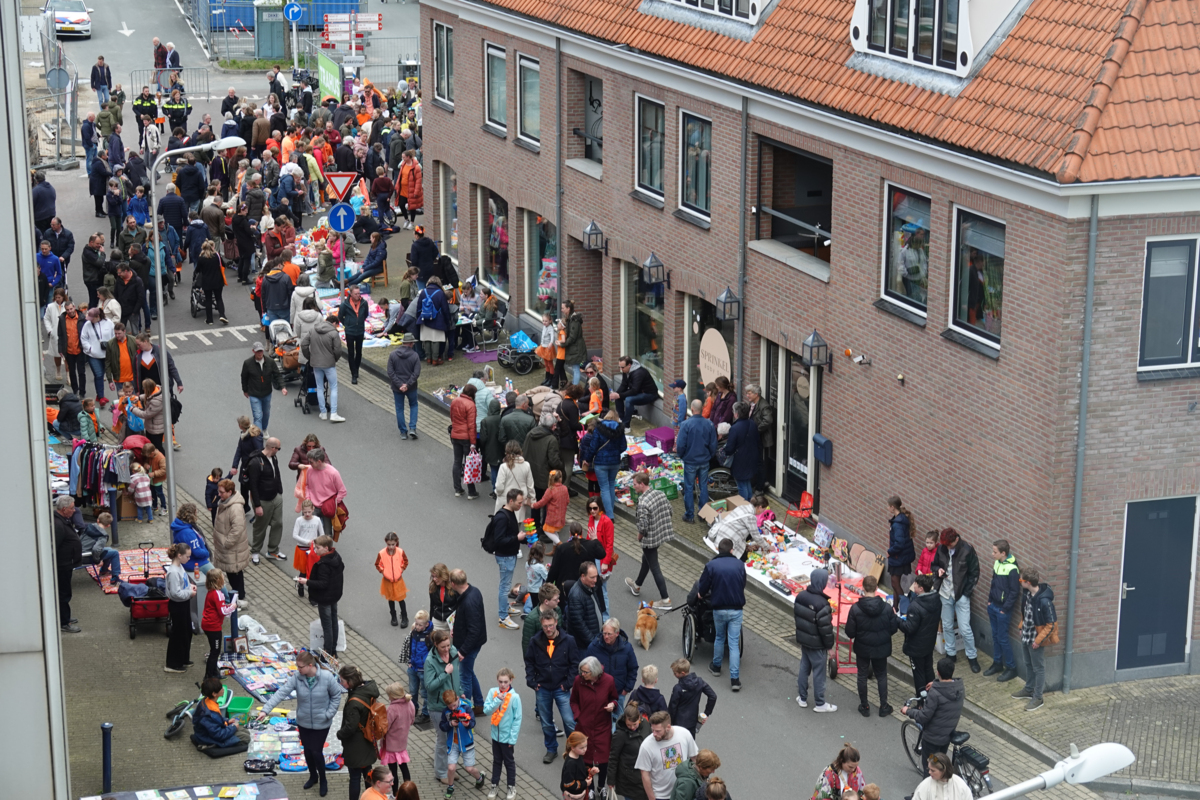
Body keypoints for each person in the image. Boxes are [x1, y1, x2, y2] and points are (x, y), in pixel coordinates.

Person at [258, 649, 342, 794]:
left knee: (316, 751)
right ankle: (313, 776)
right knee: (308, 752)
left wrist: (329, 714)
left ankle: (323, 780)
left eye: (300, 667)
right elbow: (281, 693)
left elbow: (336, 696)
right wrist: (265, 709)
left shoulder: (327, 677)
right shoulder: (297, 677)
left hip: (322, 722)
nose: (298, 669)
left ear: (310, 665)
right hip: (303, 722)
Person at [525, 609, 581, 764]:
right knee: (546, 721)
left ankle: (573, 750)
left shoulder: (568, 641)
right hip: (542, 688)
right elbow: (529, 662)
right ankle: (551, 750)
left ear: (556, 623)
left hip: (561, 688)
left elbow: (574, 664)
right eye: (545, 626)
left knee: (569, 721)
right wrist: (532, 681)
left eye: (550, 625)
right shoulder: (535, 641)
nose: (548, 629)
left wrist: (567, 684)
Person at [844, 574, 898, 717]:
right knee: (881, 676)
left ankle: (865, 705)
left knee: (862, 675)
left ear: (863, 588)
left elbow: (849, 632)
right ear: (876, 588)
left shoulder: (855, 609)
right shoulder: (887, 608)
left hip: (862, 648)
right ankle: (884, 706)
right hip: (881, 648)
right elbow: (893, 628)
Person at [696, 538, 746, 691]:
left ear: (718, 549)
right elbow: (743, 583)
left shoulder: (711, 565)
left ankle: (716, 667)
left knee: (719, 637)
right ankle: (735, 679)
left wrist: (700, 594)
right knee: (733, 643)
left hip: (719, 608)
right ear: (732, 550)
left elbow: (703, 586)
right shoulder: (740, 565)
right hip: (736, 609)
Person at [902, 657, 964, 775]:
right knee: (941, 762)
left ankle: (928, 791)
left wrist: (908, 711)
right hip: (947, 734)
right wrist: (936, 683)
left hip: (933, 739)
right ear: (953, 672)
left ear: (938, 672)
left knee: (930, 767)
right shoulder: (959, 687)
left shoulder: (935, 694)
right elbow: (946, 686)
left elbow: (924, 716)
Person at [932, 527, 981, 673]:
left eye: (949, 545)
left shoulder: (967, 550)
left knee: (965, 628)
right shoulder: (941, 548)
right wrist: (938, 570)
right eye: (945, 545)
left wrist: (966, 593)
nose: (947, 547)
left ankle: (972, 657)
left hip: (961, 594)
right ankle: (951, 654)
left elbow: (974, 573)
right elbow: (934, 565)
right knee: (947, 625)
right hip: (945, 592)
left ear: (956, 540)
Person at [625, 472, 674, 609]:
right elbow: (670, 511)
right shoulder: (660, 494)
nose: (633, 487)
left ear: (641, 484)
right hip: (660, 535)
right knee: (646, 559)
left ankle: (665, 600)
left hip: (649, 539)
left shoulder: (643, 502)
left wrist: (639, 536)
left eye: (635, 484)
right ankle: (637, 585)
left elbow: (643, 526)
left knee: (655, 568)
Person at [1012, 566, 1057, 712]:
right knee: (1028, 663)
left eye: (1021, 580)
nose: (1020, 582)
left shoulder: (1044, 601)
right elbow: (1026, 615)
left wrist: (1038, 641)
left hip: (1035, 639)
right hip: (1026, 635)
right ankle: (1029, 689)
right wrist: (1021, 626)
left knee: (1038, 668)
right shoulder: (1027, 594)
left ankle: (1038, 697)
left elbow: (1051, 625)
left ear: (1028, 582)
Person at [794, 567, 837, 712]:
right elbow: (825, 629)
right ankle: (820, 703)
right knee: (819, 673)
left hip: (804, 641)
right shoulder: (822, 604)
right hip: (817, 645)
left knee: (804, 669)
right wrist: (829, 646)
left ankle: (802, 698)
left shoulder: (801, 596)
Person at [569, 658, 616, 791]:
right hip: (584, 727)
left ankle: (601, 786)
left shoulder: (609, 681)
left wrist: (613, 705)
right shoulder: (579, 681)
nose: (582, 674)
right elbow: (573, 701)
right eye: (581, 671)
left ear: (595, 672)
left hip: (602, 727)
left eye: (585, 672)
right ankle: (590, 788)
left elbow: (614, 698)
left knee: (603, 758)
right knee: (586, 759)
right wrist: (578, 716)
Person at [337, 665, 382, 800]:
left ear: (350, 682)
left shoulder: (354, 702)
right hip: (368, 739)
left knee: (355, 777)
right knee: (368, 773)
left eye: (342, 680)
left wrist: (339, 734)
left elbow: (350, 727)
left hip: (356, 744)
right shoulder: (367, 690)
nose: (340, 682)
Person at [425, 629, 463, 783]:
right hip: (438, 707)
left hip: (454, 703)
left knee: (453, 739)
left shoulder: (453, 652)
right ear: (435, 645)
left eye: (448, 645)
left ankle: (450, 768)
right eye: (443, 647)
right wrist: (444, 674)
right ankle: (441, 773)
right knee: (442, 741)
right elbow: (429, 685)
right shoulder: (430, 661)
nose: (447, 649)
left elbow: (457, 675)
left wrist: (460, 692)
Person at [487, 488, 528, 630]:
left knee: (506, 584)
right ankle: (503, 617)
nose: (520, 505)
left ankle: (505, 609)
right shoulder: (502, 517)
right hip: (505, 557)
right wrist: (517, 538)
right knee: (505, 587)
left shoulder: (510, 513)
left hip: (509, 555)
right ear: (511, 501)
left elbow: (511, 535)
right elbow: (499, 540)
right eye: (519, 502)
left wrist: (522, 539)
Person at [635, 711, 698, 800]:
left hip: (683, 792)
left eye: (658, 731)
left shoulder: (684, 734)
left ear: (668, 727)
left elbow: (694, 758)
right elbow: (644, 774)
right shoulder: (646, 746)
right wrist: (652, 798)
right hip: (660, 796)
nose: (654, 734)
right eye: (652, 730)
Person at [450, 569, 488, 714]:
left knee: (464, 677)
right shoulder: (474, 591)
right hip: (472, 642)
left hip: (469, 646)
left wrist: (462, 651)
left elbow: (474, 630)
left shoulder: (468, 601)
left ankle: (465, 711)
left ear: (453, 584)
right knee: (469, 672)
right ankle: (479, 704)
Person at [587, 617, 639, 720]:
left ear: (617, 633)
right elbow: (586, 668)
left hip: (618, 694)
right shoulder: (594, 647)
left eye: (609, 634)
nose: (606, 636)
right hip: (598, 693)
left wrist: (626, 689)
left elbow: (633, 668)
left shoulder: (627, 648)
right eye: (604, 633)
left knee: (617, 721)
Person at [985, 538, 1021, 683]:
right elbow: (993, 583)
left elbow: (1014, 592)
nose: (992, 554)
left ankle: (1011, 668)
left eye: (995, 552)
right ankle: (998, 663)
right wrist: (989, 600)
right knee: (995, 636)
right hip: (993, 605)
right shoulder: (997, 563)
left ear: (1003, 553)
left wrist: (1004, 609)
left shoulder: (1012, 569)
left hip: (1002, 609)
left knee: (1003, 638)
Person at [676, 399, 717, 524]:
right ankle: (703, 514)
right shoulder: (709, 424)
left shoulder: (686, 424)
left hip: (690, 461)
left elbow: (680, 445)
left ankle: (689, 515)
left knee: (688, 487)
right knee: (703, 486)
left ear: (692, 409)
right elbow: (713, 444)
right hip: (704, 461)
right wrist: (709, 455)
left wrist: (683, 456)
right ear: (701, 408)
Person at [484, 668, 522, 800]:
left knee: (509, 763)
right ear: (497, 680)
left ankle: (511, 786)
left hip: (507, 739)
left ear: (511, 680)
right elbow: (486, 710)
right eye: (500, 681)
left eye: (506, 681)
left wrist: (512, 739)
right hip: (496, 736)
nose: (503, 684)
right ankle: (494, 785)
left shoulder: (515, 697)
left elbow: (517, 719)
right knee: (496, 761)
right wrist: (497, 700)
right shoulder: (492, 692)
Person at [898, 574, 941, 691]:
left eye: (915, 585)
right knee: (928, 669)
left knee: (919, 674)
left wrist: (897, 619)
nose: (913, 586)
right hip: (929, 643)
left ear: (921, 589)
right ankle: (933, 696)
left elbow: (909, 628)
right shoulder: (937, 600)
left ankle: (921, 701)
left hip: (916, 647)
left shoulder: (915, 606)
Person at [302, 535, 345, 654]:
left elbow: (322, 584)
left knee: (327, 626)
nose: (315, 550)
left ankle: (328, 652)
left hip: (325, 598)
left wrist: (307, 582)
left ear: (326, 548)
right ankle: (334, 650)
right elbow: (341, 568)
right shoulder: (336, 556)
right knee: (333, 622)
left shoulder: (323, 564)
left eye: (318, 548)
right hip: (334, 595)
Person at [245, 437, 285, 562]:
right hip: (263, 501)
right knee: (260, 527)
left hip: (276, 497)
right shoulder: (256, 462)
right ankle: (255, 551)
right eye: (278, 448)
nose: (278, 451)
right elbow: (253, 485)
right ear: (273, 448)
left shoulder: (273, 457)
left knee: (278, 523)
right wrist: (257, 505)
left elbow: (276, 473)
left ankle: (273, 551)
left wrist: (279, 491)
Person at [580, 411, 625, 520]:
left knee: (604, 488)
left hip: (601, 463)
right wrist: (615, 452)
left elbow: (593, 447)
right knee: (610, 485)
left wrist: (588, 459)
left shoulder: (599, 429)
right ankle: (610, 511)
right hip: (615, 462)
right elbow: (623, 447)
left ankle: (609, 515)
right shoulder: (620, 429)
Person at [439, 689, 485, 796]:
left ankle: (479, 778)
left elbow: (473, 723)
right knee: (451, 768)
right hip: (452, 744)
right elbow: (442, 726)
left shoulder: (466, 707)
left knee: (469, 768)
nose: (453, 708)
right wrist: (450, 724)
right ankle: (450, 787)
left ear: (458, 699)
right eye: (450, 707)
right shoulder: (446, 711)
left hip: (466, 743)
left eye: (454, 705)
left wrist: (467, 724)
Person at [211, 478, 250, 602]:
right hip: (228, 549)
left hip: (233, 550)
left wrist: (226, 543)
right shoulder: (226, 503)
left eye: (221, 492)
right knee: (232, 573)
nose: (219, 494)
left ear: (230, 492)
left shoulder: (235, 508)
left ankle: (239, 598)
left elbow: (237, 530)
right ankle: (237, 596)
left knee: (235, 575)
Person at [301, 315, 345, 422]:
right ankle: (333, 413)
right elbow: (338, 350)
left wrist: (310, 357)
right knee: (333, 386)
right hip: (329, 364)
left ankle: (323, 413)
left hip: (316, 363)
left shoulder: (313, 330)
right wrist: (334, 359)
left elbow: (304, 344)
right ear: (334, 323)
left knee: (319, 387)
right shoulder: (334, 333)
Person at [547, 522, 605, 597]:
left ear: (570, 533)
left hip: (564, 586)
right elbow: (602, 554)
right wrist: (595, 539)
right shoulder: (591, 545)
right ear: (582, 533)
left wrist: (548, 584)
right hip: (584, 586)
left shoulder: (562, 548)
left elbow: (554, 569)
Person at [192, 676, 250, 751]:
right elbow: (219, 735)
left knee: (245, 731)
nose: (223, 690)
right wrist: (233, 727)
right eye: (221, 689)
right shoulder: (208, 714)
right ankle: (210, 745)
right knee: (246, 738)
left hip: (211, 732)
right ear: (214, 694)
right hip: (208, 738)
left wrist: (226, 721)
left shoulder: (207, 701)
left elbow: (217, 719)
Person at [164, 542, 196, 672]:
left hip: (184, 603)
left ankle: (183, 658)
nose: (189, 559)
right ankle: (172, 664)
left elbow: (184, 584)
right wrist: (190, 593)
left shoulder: (180, 567)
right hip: (178, 605)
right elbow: (175, 593)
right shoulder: (173, 572)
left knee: (187, 631)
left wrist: (189, 588)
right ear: (179, 555)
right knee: (178, 634)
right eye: (187, 556)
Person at [52, 496, 83, 633]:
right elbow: (55, 547)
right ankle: (64, 622)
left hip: (66, 564)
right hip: (62, 565)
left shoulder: (62, 520)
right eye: (72, 508)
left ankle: (65, 617)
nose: (74, 510)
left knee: (64, 592)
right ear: (64, 509)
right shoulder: (58, 524)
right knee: (64, 593)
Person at [240, 342, 287, 433]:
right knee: (257, 416)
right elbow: (244, 377)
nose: (260, 353)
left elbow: (277, 375)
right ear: (253, 351)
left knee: (266, 414)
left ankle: (264, 429)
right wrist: (245, 390)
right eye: (257, 351)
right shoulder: (247, 363)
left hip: (266, 393)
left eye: (261, 351)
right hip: (254, 394)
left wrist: (283, 387)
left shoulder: (270, 362)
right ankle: (258, 435)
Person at [609, 701, 651, 800]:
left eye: (634, 724)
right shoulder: (620, 734)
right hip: (629, 780)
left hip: (645, 774)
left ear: (640, 719)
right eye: (629, 725)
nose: (632, 727)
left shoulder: (645, 725)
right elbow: (613, 757)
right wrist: (611, 780)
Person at [200, 569, 238, 678]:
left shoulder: (211, 592)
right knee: (215, 651)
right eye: (222, 576)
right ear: (218, 580)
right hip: (213, 626)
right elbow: (222, 611)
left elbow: (219, 608)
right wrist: (232, 607)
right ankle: (209, 676)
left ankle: (214, 672)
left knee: (215, 650)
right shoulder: (218, 594)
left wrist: (227, 607)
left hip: (207, 624)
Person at [667, 658, 716, 738]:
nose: (674, 675)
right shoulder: (700, 682)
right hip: (692, 721)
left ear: (682, 673)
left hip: (678, 723)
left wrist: (669, 723)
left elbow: (672, 707)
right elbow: (713, 696)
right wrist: (706, 713)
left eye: (675, 673)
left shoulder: (678, 688)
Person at [380, 683, 416, 788]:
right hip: (402, 742)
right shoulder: (410, 703)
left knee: (393, 771)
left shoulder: (392, 709)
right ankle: (408, 790)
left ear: (393, 696)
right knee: (404, 768)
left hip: (391, 744)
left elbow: (386, 727)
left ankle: (395, 793)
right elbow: (412, 720)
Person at [400, 610, 433, 723]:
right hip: (413, 667)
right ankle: (413, 710)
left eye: (420, 625)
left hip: (424, 670)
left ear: (426, 624)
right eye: (416, 623)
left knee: (425, 693)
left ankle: (425, 714)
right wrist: (409, 660)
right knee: (413, 691)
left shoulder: (430, 636)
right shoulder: (414, 632)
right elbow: (410, 646)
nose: (417, 626)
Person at [388, 332, 422, 439]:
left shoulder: (393, 354)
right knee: (413, 405)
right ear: (411, 343)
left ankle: (403, 432)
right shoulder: (415, 356)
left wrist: (399, 385)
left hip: (397, 388)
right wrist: (407, 385)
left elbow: (390, 371)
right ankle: (412, 428)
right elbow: (416, 373)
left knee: (399, 409)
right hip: (411, 387)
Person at [723, 402, 760, 501]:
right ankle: (750, 504)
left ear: (736, 414)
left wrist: (725, 452)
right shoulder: (752, 423)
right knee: (747, 482)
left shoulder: (735, 428)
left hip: (740, 460)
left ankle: (745, 506)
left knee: (741, 485)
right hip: (752, 457)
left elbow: (730, 448)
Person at [610, 355, 658, 428]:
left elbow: (634, 390)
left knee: (628, 400)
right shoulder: (626, 370)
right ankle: (621, 419)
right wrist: (616, 394)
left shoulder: (638, 373)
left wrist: (619, 395)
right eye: (619, 367)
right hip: (639, 391)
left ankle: (626, 426)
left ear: (629, 365)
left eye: (622, 367)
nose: (621, 369)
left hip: (649, 394)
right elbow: (624, 384)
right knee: (618, 396)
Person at [886, 496, 916, 611]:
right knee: (895, 583)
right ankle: (895, 607)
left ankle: (905, 607)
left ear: (893, 507)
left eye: (888, 506)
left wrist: (890, 551)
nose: (887, 508)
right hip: (901, 557)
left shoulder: (897, 524)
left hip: (898, 557)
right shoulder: (901, 519)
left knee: (895, 583)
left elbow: (899, 543)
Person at [568, 562, 608, 644]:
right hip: (585, 645)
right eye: (592, 577)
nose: (595, 580)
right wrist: (593, 642)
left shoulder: (590, 587)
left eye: (596, 577)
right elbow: (579, 625)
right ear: (583, 576)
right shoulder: (576, 596)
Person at [451, 383, 480, 498]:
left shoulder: (455, 401)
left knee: (457, 462)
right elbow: (471, 426)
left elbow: (452, 417)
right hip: (466, 438)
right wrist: (473, 442)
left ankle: (458, 489)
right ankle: (471, 492)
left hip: (455, 435)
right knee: (469, 464)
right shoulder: (471, 405)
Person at [376, 531, 410, 628]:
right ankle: (393, 616)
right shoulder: (382, 553)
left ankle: (404, 617)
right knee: (390, 598)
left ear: (396, 543)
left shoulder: (400, 552)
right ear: (386, 543)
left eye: (393, 544)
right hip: (387, 580)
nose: (391, 547)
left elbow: (405, 561)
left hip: (398, 579)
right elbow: (378, 564)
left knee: (400, 598)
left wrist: (401, 570)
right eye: (389, 544)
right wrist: (383, 572)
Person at [493, 442, 535, 520]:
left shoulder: (503, 467)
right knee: (516, 528)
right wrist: (532, 499)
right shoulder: (527, 465)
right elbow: (530, 485)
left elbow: (499, 487)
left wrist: (498, 493)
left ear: (507, 452)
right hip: (520, 501)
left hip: (505, 501)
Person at [339, 284, 370, 383]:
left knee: (359, 352)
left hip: (360, 330)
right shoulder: (345, 305)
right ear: (351, 294)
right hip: (350, 331)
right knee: (351, 353)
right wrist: (347, 325)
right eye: (355, 294)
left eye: (359, 293)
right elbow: (340, 316)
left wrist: (360, 322)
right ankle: (354, 374)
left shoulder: (364, 303)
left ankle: (356, 368)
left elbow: (365, 314)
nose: (358, 295)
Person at [195, 239, 228, 325]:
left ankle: (209, 320)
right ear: (212, 247)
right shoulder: (217, 256)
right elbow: (223, 265)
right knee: (219, 298)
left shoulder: (201, 258)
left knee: (208, 300)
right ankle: (222, 315)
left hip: (207, 282)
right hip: (218, 280)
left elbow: (197, 270)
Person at [523, 583, 561, 657]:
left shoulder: (557, 610)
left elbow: (560, 631)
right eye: (555, 599)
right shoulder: (531, 619)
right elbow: (527, 646)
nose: (558, 601)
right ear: (546, 601)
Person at [531, 468, 568, 544]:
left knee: (546, 530)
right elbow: (567, 501)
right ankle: (555, 549)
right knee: (554, 531)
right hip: (561, 516)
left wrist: (534, 505)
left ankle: (560, 544)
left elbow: (542, 502)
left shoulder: (550, 490)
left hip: (552, 517)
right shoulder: (565, 488)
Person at [561, 301, 587, 386]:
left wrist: (563, 344)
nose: (561, 310)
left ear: (568, 309)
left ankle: (575, 388)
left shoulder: (574, 321)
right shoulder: (571, 319)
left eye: (563, 308)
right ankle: (574, 385)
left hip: (576, 348)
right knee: (575, 367)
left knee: (576, 368)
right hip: (575, 348)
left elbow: (572, 337)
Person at [430, 563, 459, 633]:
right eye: (433, 576)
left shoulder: (453, 587)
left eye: (436, 577)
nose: (434, 579)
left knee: (448, 643)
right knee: (436, 643)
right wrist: (430, 622)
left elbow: (458, 605)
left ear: (443, 575)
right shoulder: (433, 588)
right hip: (437, 621)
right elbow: (432, 605)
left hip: (450, 622)